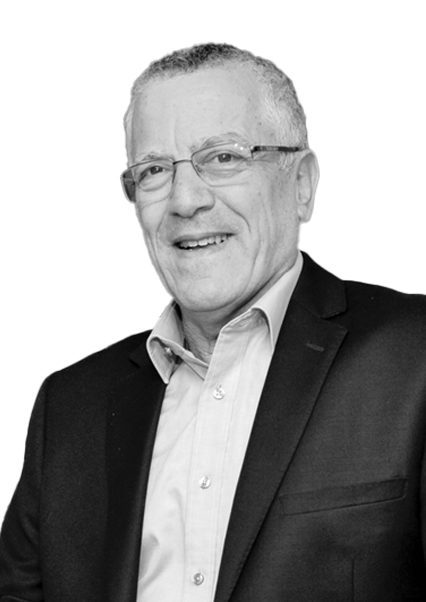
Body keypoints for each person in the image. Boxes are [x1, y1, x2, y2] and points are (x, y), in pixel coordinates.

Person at [1, 40, 426, 602]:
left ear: (302, 184)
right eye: (154, 170)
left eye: (223, 157)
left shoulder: (414, 357)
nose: (185, 200)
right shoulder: (69, 407)